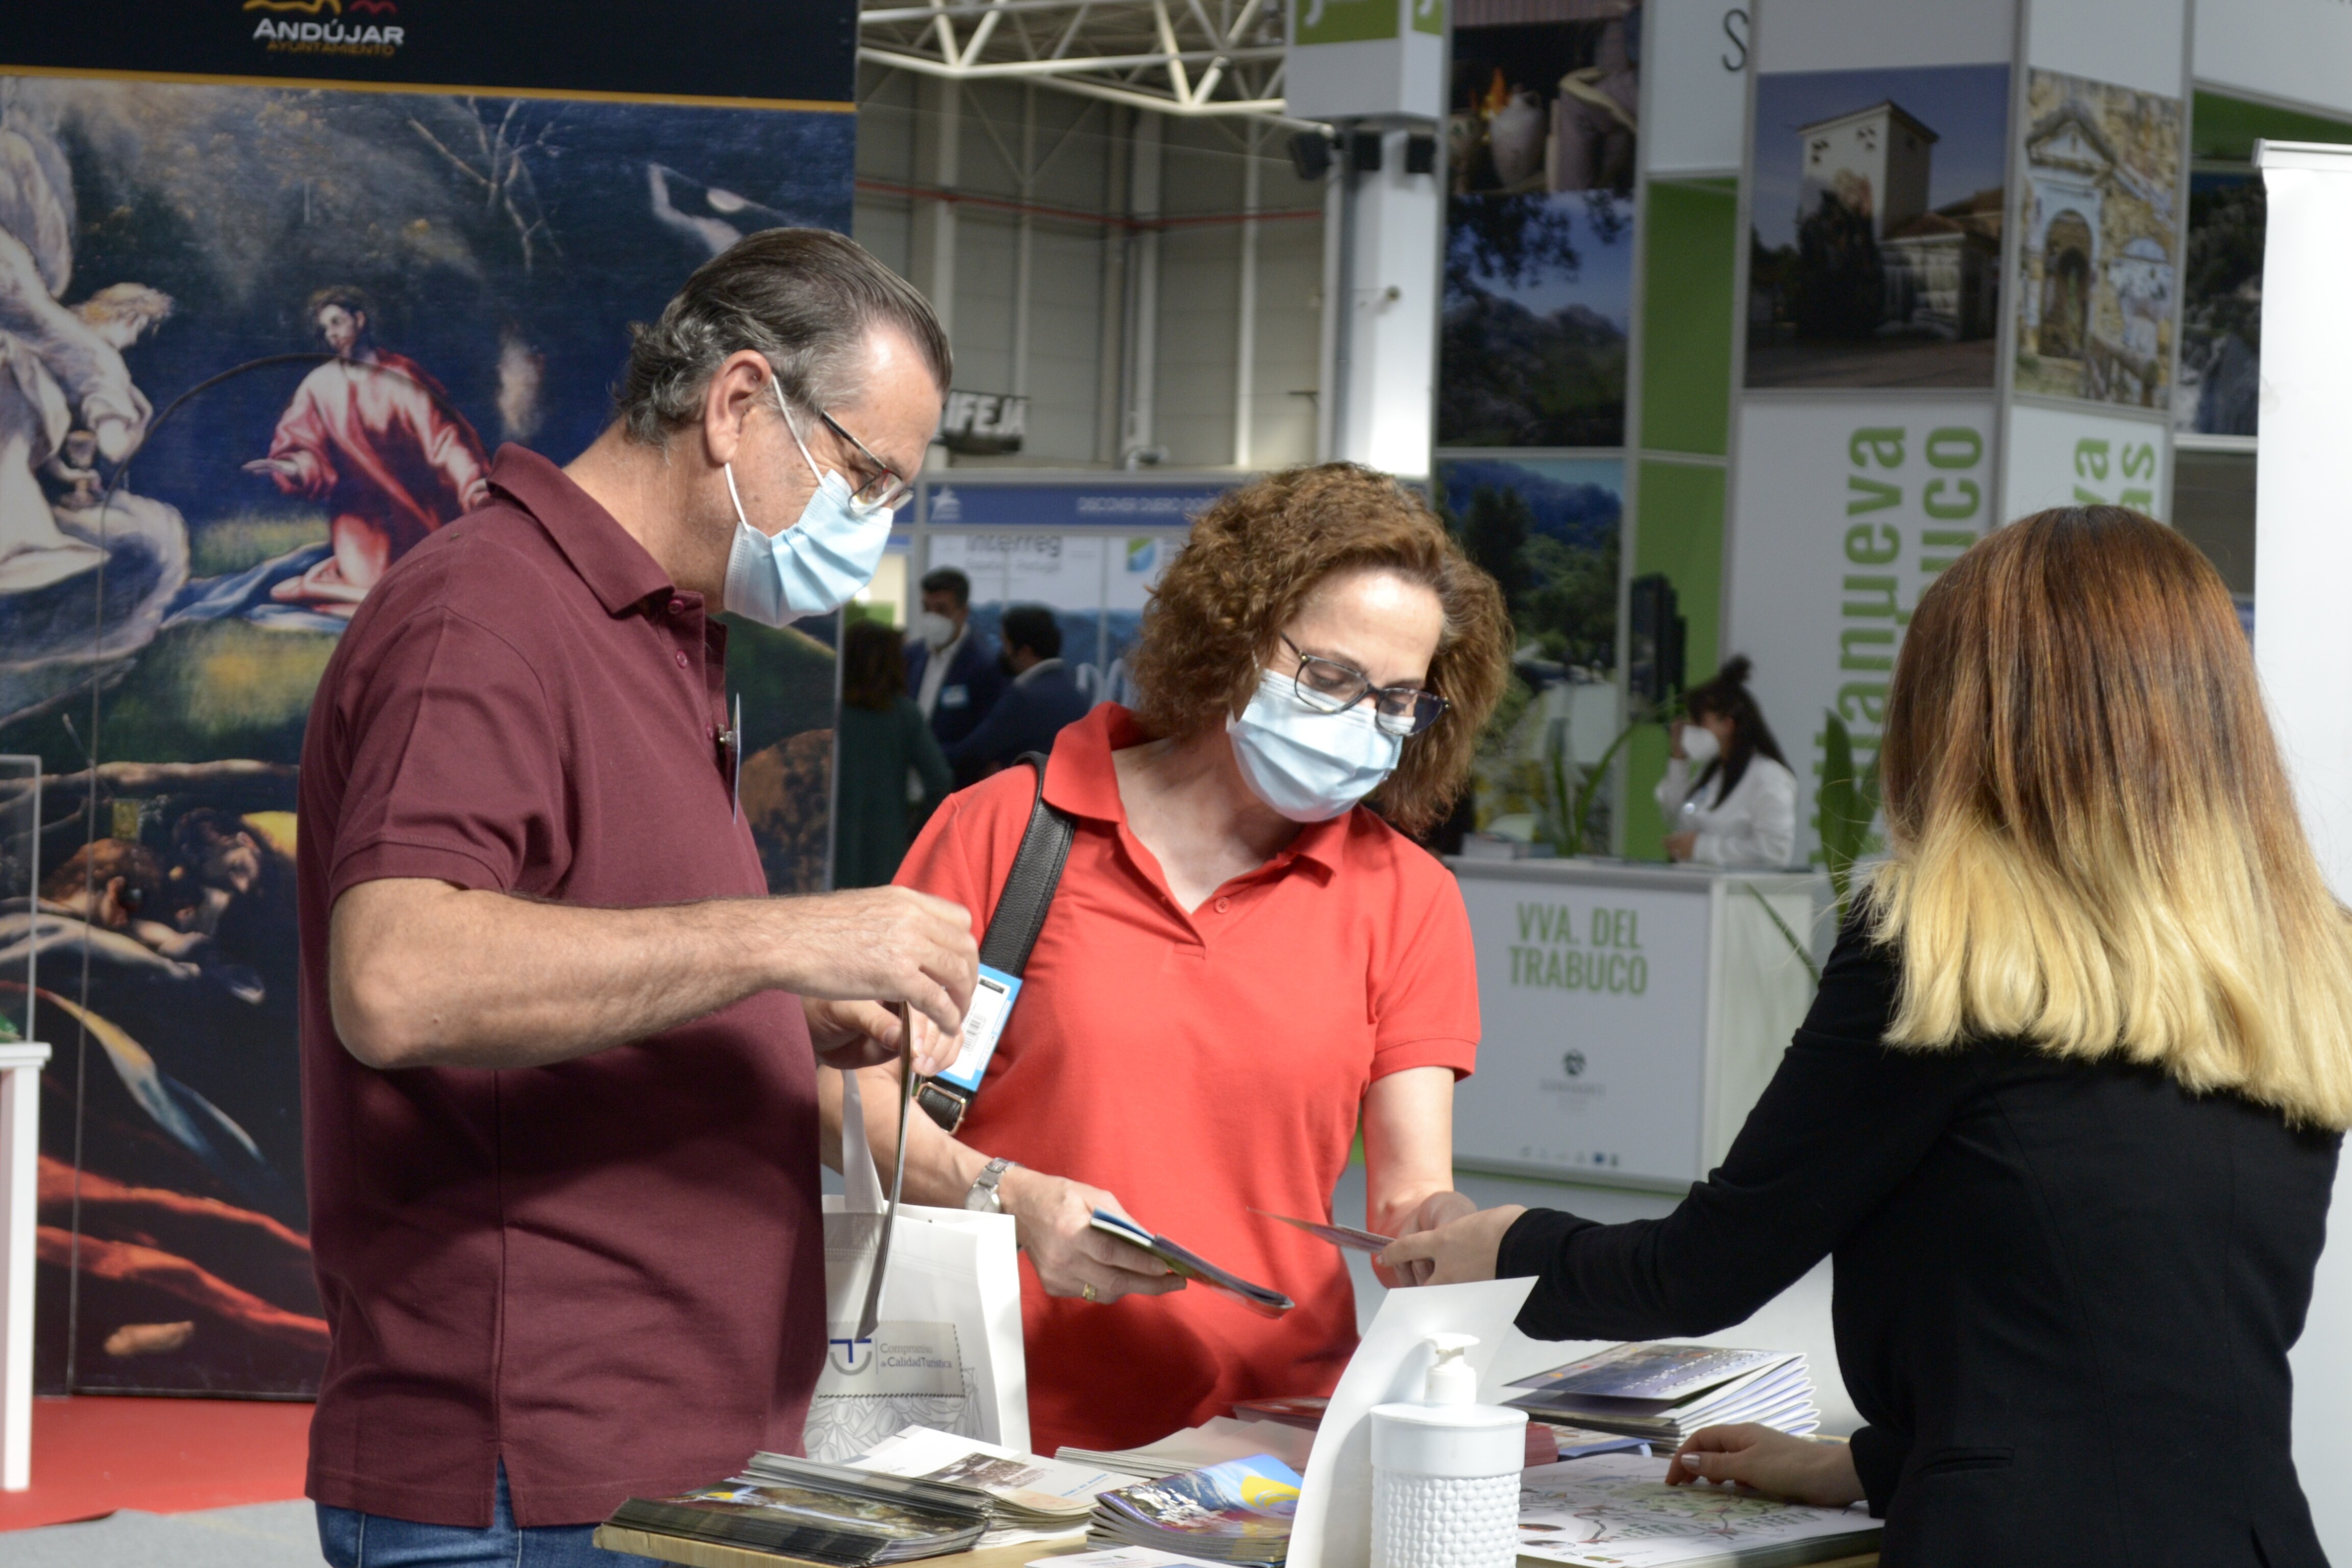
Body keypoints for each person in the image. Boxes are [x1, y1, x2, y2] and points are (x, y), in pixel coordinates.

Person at [1382, 507, 2351, 1567]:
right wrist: (1869, 1466)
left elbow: (1705, 1267)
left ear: (1962, 711)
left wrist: (1508, 1251)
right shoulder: (2303, 964)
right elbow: (2144, 1362)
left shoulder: (1940, 944)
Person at [297, 229, 978, 1568]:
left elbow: (593, 951)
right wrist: (787, 937)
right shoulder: (485, 618)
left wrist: (776, 1009)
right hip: (528, 1475)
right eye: (866, 476)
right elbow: (397, 975)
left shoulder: (663, 632)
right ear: (737, 404)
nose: (874, 527)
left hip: (657, 1456)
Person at [825, 463, 1514, 1453]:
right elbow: (845, 1098)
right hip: (991, 1428)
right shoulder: (1006, 832)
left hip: (1261, 1447)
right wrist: (1008, 1197)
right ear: (1234, 639)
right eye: (1330, 677)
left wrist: (1448, 1232)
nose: (1363, 723)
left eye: (1398, 701)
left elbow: (1409, 1195)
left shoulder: (1409, 898)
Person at [245, 285, 493, 616]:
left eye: (336, 322)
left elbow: (446, 439)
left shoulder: (401, 378)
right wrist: (294, 467)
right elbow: (305, 444)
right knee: (373, 587)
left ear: (359, 320)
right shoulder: (319, 385)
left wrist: (473, 485)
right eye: (324, 329)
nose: (331, 334)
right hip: (359, 522)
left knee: (426, 577)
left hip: (418, 511)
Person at [835, 617, 953, 889]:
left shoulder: (829, 714)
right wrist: (917, 832)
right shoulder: (904, 715)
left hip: (830, 847)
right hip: (886, 850)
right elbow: (940, 780)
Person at [1657, 656, 1796, 867]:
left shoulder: (1769, 777)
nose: (1689, 728)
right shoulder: (1714, 771)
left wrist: (1700, 848)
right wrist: (1678, 759)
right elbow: (1675, 814)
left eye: (1698, 721)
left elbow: (1775, 853)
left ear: (1727, 725)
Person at [945, 602, 1094, 774]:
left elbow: (973, 752)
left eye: (1005, 644)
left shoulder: (1024, 697)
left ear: (1024, 651)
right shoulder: (1076, 693)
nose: (1002, 652)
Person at [906, 566, 1008, 754]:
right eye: (926, 608)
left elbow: (984, 737)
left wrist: (934, 760)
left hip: (957, 775)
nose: (932, 616)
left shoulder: (985, 664)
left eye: (941, 609)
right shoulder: (912, 656)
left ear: (963, 612)